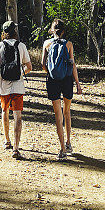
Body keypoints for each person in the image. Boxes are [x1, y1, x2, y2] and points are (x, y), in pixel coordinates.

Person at [41, 18, 82, 160]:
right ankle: (69, 142)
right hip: (66, 80)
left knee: (58, 115)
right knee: (67, 112)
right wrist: (77, 83)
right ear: (63, 31)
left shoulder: (47, 44)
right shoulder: (69, 44)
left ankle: (62, 149)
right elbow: (73, 64)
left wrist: (51, 73)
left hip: (53, 80)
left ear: (52, 30)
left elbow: (43, 64)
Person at [0, 20, 32, 159]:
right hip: (18, 85)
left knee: (4, 111)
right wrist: (21, 73)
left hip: (3, 84)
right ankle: (16, 147)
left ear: (4, 32)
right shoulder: (21, 46)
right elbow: (29, 66)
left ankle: (7, 141)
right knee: (18, 116)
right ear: (15, 31)